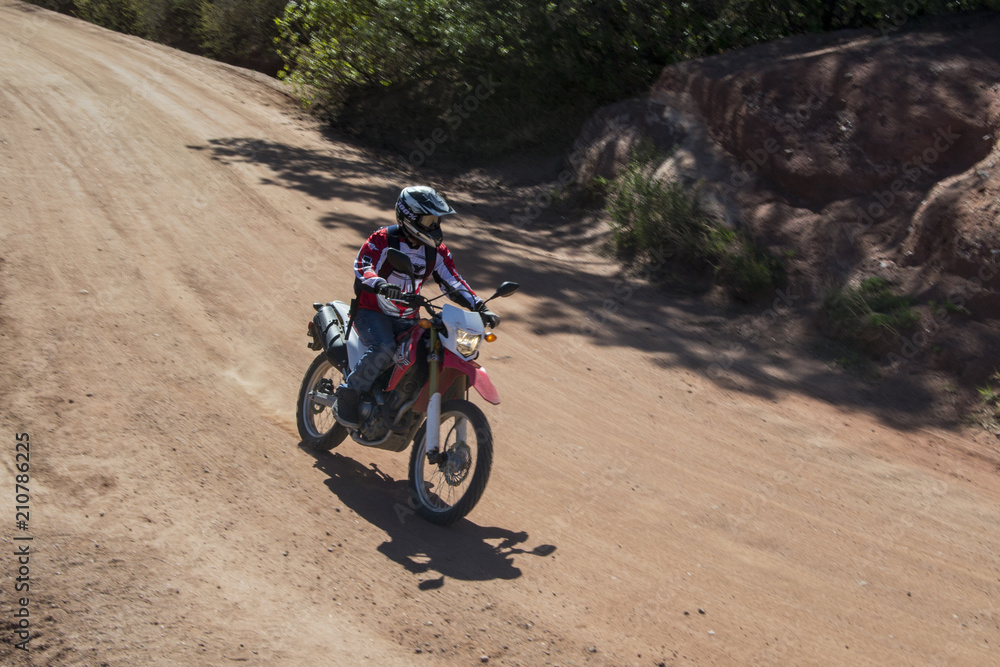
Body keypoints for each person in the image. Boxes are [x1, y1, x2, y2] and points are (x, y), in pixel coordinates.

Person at [335, 186, 500, 427]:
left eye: (436, 220)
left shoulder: (436, 252)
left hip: (408, 316)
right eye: (428, 220)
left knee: (429, 349)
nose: (434, 226)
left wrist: (480, 306)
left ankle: (402, 403)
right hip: (372, 312)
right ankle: (348, 395)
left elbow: (454, 282)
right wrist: (380, 284)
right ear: (409, 217)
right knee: (384, 347)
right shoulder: (382, 239)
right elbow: (363, 266)